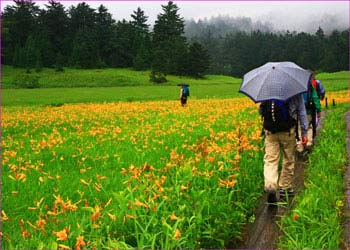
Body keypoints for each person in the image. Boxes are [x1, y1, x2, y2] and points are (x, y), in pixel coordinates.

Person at [259, 94, 308, 203]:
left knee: (271, 160)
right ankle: (285, 187)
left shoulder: (268, 90)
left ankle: (271, 186)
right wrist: (304, 132)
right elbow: (302, 112)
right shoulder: (295, 92)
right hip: (288, 132)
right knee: (288, 159)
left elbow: (261, 111)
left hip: (271, 132)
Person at [296, 72, 322, 153]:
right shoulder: (309, 86)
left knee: (300, 128)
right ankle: (308, 143)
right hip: (309, 111)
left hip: (298, 111)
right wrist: (318, 110)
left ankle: (299, 146)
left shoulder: (296, 86)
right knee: (309, 127)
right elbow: (315, 98)